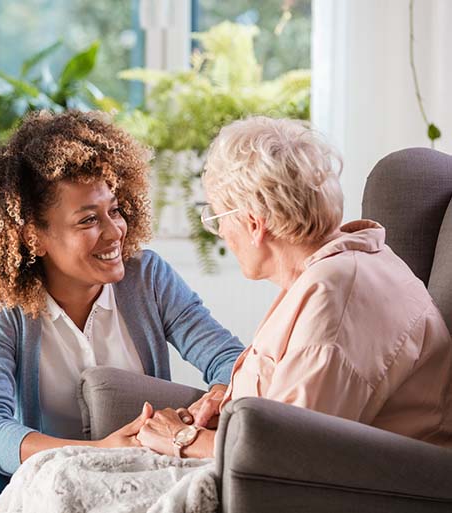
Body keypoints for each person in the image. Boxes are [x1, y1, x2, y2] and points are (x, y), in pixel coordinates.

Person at [0, 110, 244, 513]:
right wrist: (93, 451)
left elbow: (229, 360)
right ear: (33, 236)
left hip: (138, 472)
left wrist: (215, 400)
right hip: (40, 474)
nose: (115, 231)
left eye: (114, 210)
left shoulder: (147, 277)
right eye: (89, 220)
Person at [136, 116, 452, 458]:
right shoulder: (342, 267)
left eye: (217, 218)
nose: (222, 233)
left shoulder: (334, 296)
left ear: (254, 224)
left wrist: (182, 439)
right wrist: (227, 401)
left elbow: (287, 453)